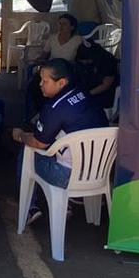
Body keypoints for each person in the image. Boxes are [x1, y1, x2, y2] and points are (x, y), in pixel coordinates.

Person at [12, 58, 108, 224]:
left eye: (45, 81)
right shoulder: (85, 94)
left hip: (68, 175)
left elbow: (39, 143)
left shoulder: (55, 108)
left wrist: (20, 134)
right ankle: (69, 200)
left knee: (27, 151)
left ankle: (29, 209)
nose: (40, 84)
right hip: (99, 171)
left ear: (61, 82)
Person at [74, 34, 120, 111]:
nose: (85, 64)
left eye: (87, 61)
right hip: (87, 88)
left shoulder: (107, 60)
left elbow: (106, 85)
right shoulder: (82, 62)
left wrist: (87, 94)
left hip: (103, 93)